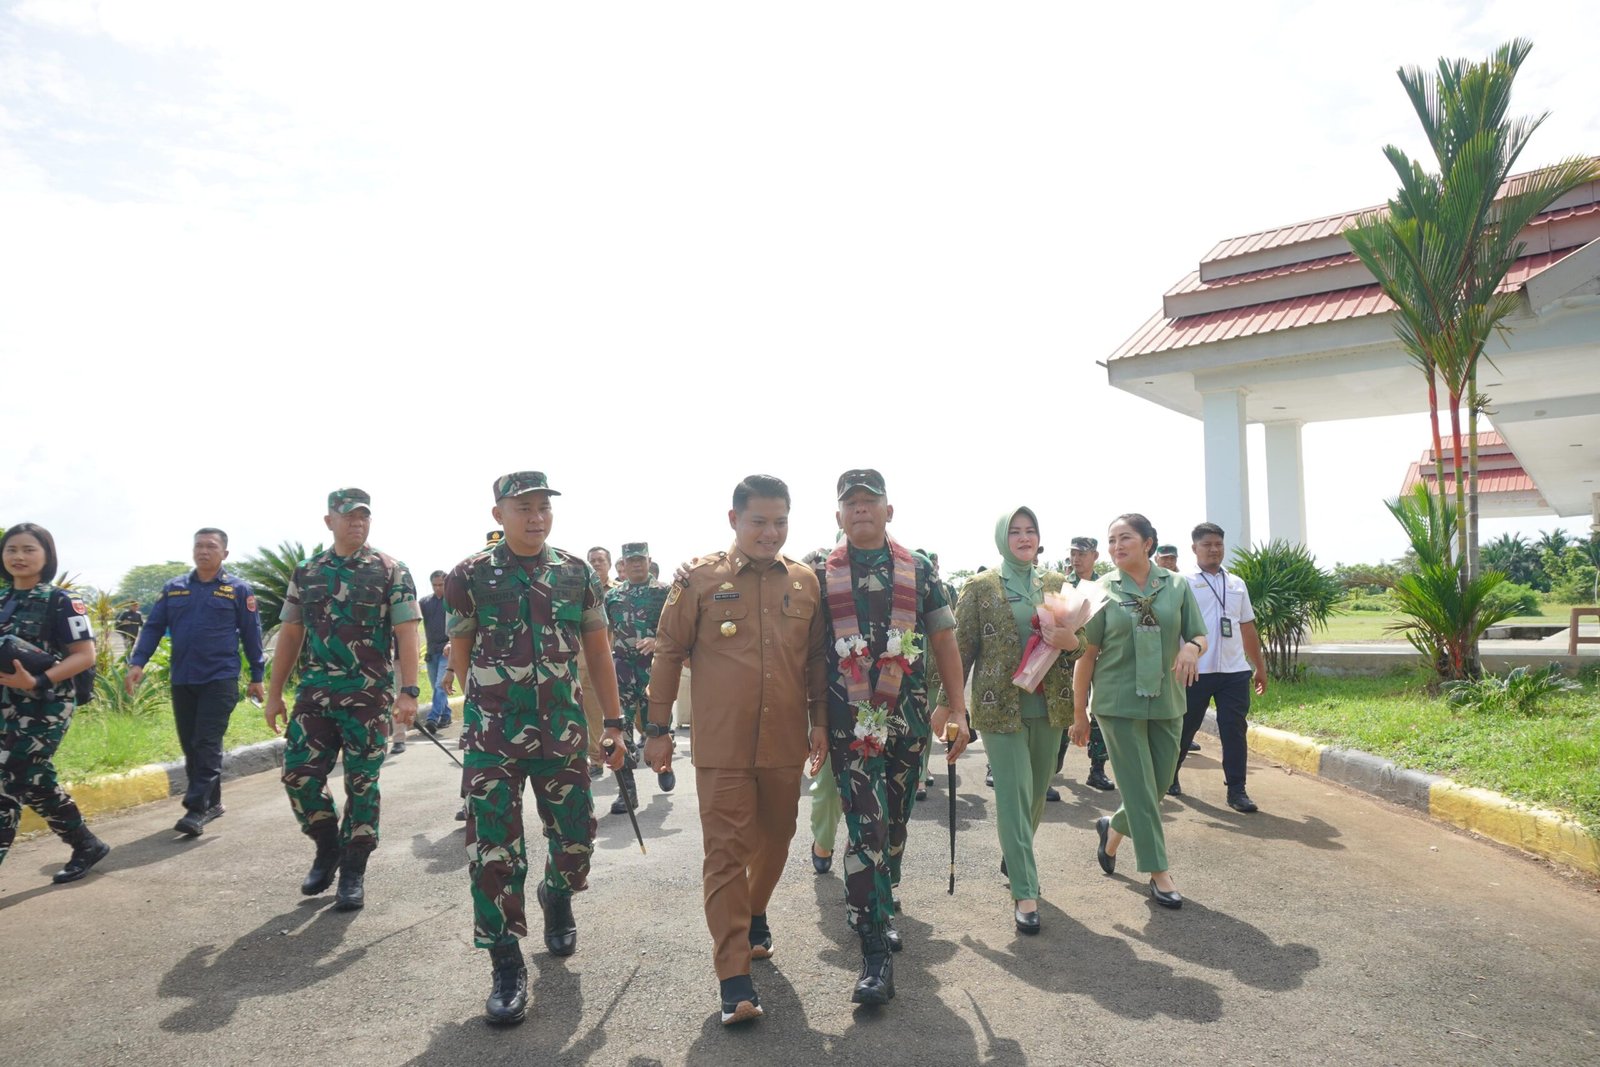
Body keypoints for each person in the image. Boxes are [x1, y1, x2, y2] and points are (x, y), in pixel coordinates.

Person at [445, 471, 626, 1027]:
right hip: (492, 738)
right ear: (498, 514)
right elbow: (460, 652)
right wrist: (481, 708)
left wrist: (614, 723)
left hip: (562, 732)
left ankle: (557, 894)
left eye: (543, 506)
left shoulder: (575, 573)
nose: (536, 516)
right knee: (493, 852)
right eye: (523, 507)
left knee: (576, 840)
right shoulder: (469, 575)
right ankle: (505, 963)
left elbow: (598, 653)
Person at [644, 474, 826, 1026]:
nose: (770, 533)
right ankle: (734, 978)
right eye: (758, 522)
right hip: (722, 743)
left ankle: (755, 908)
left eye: (780, 522)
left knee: (777, 839)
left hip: (785, 741)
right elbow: (668, 651)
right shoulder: (700, 579)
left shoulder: (805, 582)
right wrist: (657, 728)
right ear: (734, 520)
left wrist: (820, 722)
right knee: (726, 853)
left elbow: (816, 660)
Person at [819, 469, 969, 1006]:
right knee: (868, 827)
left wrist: (958, 708)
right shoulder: (818, 572)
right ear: (838, 515)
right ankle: (874, 949)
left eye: (870, 500)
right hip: (849, 722)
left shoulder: (919, 569)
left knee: (896, 822)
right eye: (851, 502)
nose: (861, 508)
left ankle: (882, 898)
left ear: (889, 510)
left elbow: (944, 638)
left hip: (908, 719)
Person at [264, 489, 421, 913]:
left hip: (368, 696)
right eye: (349, 516)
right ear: (329, 521)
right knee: (298, 776)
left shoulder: (390, 570)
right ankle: (327, 844)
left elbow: (407, 632)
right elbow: (291, 634)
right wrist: (274, 694)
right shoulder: (307, 572)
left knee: (362, 783)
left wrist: (409, 690)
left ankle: (353, 869)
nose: (358, 523)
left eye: (363, 516)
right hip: (315, 693)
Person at [935, 508, 1083, 933]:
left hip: (1049, 706)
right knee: (1014, 797)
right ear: (1003, 537)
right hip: (998, 709)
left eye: (1030, 530)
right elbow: (960, 649)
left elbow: (1082, 640)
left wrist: (1071, 641)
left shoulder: (1056, 583)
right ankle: (1025, 890)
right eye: (1015, 531)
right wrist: (948, 704)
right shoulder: (980, 586)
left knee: (1035, 795)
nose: (1023, 537)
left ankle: (1015, 854)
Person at [1071, 514, 1205, 910]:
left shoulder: (1176, 585)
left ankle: (1112, 830)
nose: (1116, 546)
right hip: (1117, 703)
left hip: (1167, 700)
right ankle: (1159, 872)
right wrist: (1079, 712)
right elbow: (1086, 655)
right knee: (1141, 790)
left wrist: (1191, 648)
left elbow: (1199, 633)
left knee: (1158, 785)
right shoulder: (1100, 590)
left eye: (1125, 538)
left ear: (1148, 543)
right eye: (1111, 540)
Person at [127, 528, 266, 836]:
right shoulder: (174, 588)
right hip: (183, 677)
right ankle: (213, 803)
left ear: (224, 553)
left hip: (220, 677)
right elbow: (153, 627)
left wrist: (257, 676)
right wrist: (138, 662)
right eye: (199, 546)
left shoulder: (238, 589)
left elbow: (252, 634)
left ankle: (196, 808)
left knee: (206, 742)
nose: (203, 551)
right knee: (191, 744)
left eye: (211, 546)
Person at [0, 523, 110, 883]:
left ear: (46, 556)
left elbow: (84, 655)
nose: (19, 556)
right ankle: (86, 844)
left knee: (8, 779)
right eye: (11, 549)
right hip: (5, 704)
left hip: (45, 706)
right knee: (34, 780)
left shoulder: (62, 601)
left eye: (29, 549)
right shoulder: (2, 600)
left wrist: (38, 680)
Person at [1171, 522, 1268, 811]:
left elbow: (1247, 627)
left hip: (1234, 671)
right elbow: (1172, 627)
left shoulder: (1237, 584)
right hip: (1196, 671)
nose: (1214, 550)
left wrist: (1259, 666)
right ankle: (1169, 775)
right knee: (1184, 727)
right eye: (1207, 545)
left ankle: (1237, 790)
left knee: (1234, 729)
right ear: (1194, 548)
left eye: (1218, 545)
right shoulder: (1182, 583)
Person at [604, 541, 673, 815]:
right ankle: (627, 792)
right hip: (621, 671)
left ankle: (662, 764)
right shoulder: (612, 596)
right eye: (630, 560)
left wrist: (658, 642)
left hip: (653, 670)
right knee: (619, 730)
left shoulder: (665, 592)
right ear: (622, 564)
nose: (635, 564)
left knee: (656, 725)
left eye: (640, 559)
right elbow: (605, 632)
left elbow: (678, 631)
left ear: (648, 560)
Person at [579, 546, 615, 780]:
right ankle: (596, 758)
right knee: (591, 713)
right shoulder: (581, 591)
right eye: (592, 560)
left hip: (618, 661)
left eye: (601, 560)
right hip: (585, 661)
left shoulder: (618, 591)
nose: (597, 564)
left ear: (609, 564)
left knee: (619, 713)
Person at [418, 570, 453, 732]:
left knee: (440, 685)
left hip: (448, 650)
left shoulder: (453, 601)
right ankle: (445, 716)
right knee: (436, 687)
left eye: (441, 585)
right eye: (435, 585)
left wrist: (451, 643)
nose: (438, 588)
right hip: (431, 651)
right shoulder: (425, 603)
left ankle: (432, 719)